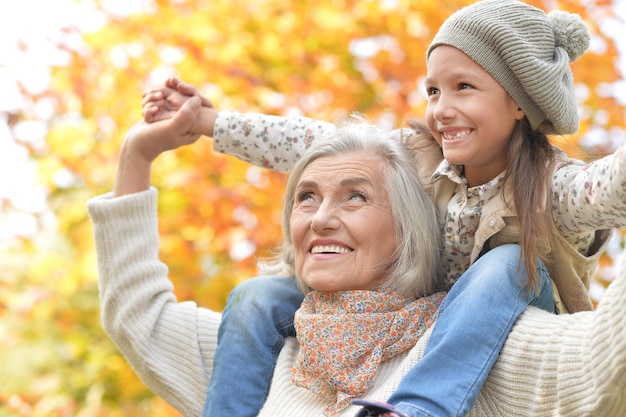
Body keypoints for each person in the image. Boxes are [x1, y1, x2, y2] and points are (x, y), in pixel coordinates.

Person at [141, 1, 625, 416]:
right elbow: (310, 141)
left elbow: (610, 186)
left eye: (464, 88)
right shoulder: (419, 155)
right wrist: (210, 121)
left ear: (519, 101)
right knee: (257, 296)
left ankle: (417, 407)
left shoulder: (553, 187)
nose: (441, 108)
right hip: (418, 314)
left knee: (506, 264)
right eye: (434, 91)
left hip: (507, 312)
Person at [88, 104, 626, 417]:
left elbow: (609, 369)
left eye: (355, 196)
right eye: (306, 197)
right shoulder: (260, 349)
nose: (320, 218)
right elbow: (137, 313)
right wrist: (137, 154)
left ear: (410, 228)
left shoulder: (483, 342)